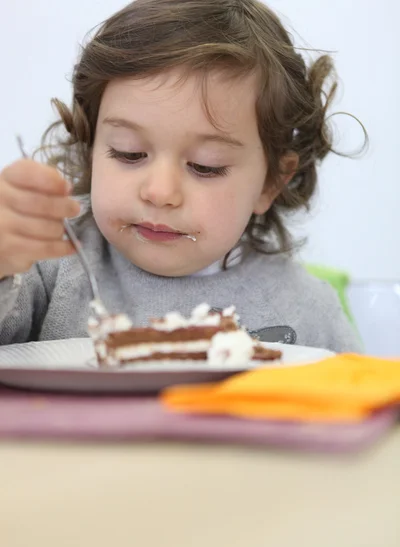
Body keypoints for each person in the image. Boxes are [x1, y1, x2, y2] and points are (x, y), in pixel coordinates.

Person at [0, 0, 361, 352]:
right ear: (92, 147)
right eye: (129, 153)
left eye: (205, 165)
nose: (160, 192)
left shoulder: (308, 310)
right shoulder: (44, 263)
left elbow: (362, 400)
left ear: (270, 182)